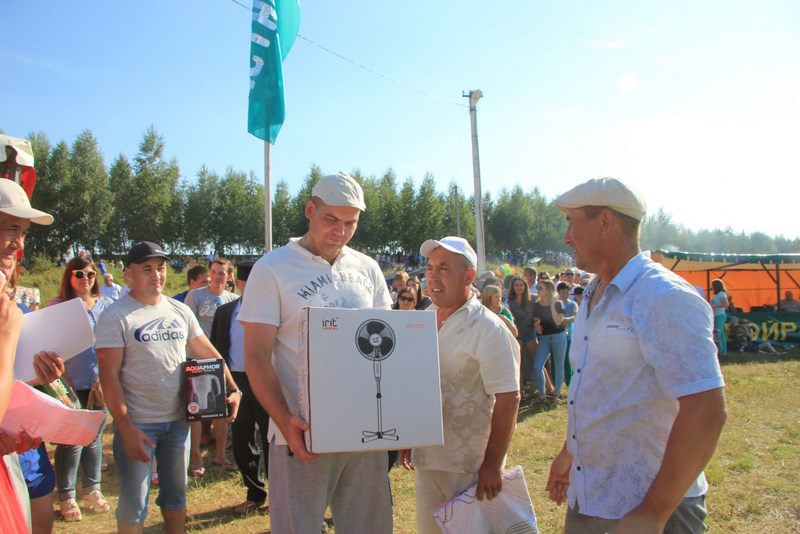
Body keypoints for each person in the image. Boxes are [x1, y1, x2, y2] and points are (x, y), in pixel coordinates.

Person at [547, 177, 727, 533]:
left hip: (651, 508)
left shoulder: (661, 295)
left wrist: (653, 511)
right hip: (592, 494)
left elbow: (706, 409)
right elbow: (602, 391)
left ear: (605, 222)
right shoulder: (594, 294)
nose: (566, 237)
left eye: (571, 222)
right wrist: (570, 451)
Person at [239, 172, 394, 533]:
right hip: (301, 432)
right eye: (331, 219)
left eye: (350, 223)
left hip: (365, 428)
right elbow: (257, 357)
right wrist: (284, 420)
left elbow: (387, 346)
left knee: (369, 526)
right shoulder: (272, 269)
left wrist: (396, 419)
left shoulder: (367, 268)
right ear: (310, 210)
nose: (340, 232)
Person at [96, 241, 240, 534]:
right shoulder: (115, 316)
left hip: (178, 423)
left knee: (176, 496)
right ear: (128, 275)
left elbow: (209, 353)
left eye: (160, 268)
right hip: (138, 425)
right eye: (146, 269)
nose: (156, 275)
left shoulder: (180, 310)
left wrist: (233, 389)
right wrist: (125, 427)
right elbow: (108, 377)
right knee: (134, 503)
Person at [399, 236, 520, 534]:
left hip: (470, 467)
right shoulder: (422, 319)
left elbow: (509, 398)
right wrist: (408, 435)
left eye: (443, 268)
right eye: (429, 268)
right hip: (428, 459)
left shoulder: (489, 328)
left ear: (468, 276)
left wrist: (492, 464)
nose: (432, 275)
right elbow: (416, 382)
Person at [46, 256, 114, 522]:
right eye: (79, 274)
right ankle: (67, 495)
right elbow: (49, 343)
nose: (85, 279)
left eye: (90, 274)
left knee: (94, 437)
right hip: (69, 382)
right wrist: (62, 379)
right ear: (69, 276)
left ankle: (93, 489)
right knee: (71, 441)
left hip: (99, 383)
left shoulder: (106, 304)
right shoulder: (58, 306)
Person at [209, 260, 271, 515]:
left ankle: (280, 494)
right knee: (242, 440)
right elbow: (215, 349)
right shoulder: (225, 313)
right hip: (237, 382)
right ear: (240, 283)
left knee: (273, 439)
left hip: (268, 380)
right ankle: (254, 493)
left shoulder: (272, 310)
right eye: (249, 281)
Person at [184, 258, 238, 475]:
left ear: (229, 277)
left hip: (222, 361)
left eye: (221, 273)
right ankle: (196, 459)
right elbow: (186, 327)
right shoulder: (196, 296)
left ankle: (220, 456)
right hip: (196, 360)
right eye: (213, 272)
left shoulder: (233, 300)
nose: (216, 277)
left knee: (223, 410)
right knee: (196, 412)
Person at [530, 279, 567, 405]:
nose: (538, 290)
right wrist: (535, 325)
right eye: (537, 288)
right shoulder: (536, 305)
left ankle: (556, 394)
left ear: (548, 290)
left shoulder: (558, 303)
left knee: (559, 365)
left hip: (558, 336)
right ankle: (542, 395)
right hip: (544, 338)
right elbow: (535, 319)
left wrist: (552, 305)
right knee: (538, 365)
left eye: (540, 288)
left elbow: (558, 322)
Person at [710, 279, 729, 357]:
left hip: (720, 315)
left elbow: (726, 304)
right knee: (721, 334)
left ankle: (722, 352)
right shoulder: (718, 295)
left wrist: (714, 306)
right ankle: (723, 351)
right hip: (717, 315)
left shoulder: (721, 294)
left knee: (718, 333)